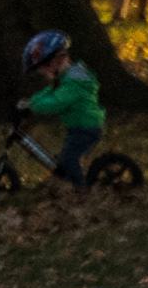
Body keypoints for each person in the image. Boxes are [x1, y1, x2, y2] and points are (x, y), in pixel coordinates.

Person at [20, 30, 104, 188]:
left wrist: (34, 105)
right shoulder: (66, 79)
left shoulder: (74, 83)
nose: (44, 74)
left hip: (87, 128)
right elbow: (49, 92)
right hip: (78, 127)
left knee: (69, 160)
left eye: (44, 69)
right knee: (64, 159)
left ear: (58, 60)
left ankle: (81, 189)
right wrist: (32, 101)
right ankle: (71, 182)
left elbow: (57, 102)